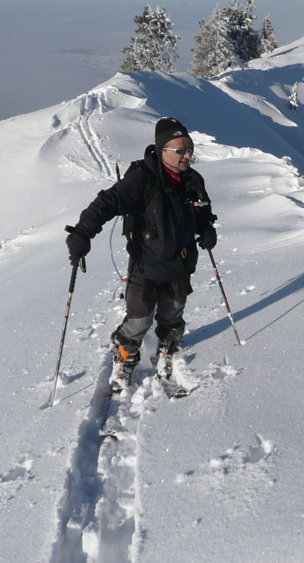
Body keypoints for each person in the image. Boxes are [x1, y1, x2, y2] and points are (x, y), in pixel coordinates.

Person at [65, 117, 217, 391]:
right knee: (139, 318)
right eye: (180, 150)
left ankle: (167, 349)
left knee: (173, 315)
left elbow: (203, 210)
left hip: (180, 264)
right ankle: (124, 354)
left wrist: (207, 229)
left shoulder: (194, 180)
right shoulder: (142, 179)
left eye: (189, 149)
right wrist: (82, 233)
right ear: (162, 151)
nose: (187, 156)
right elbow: (107, 202)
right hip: (145, 264)